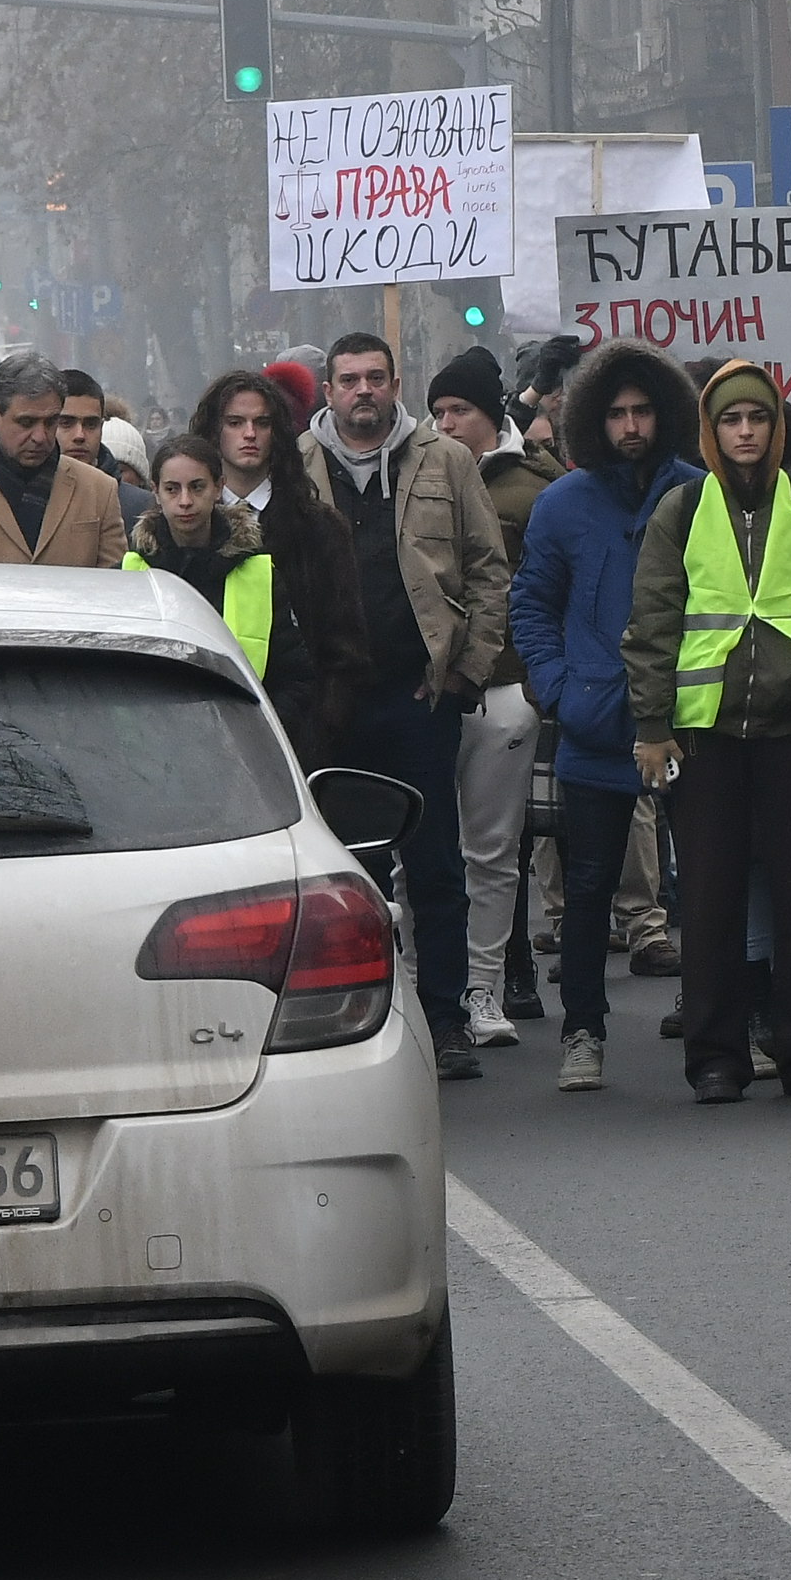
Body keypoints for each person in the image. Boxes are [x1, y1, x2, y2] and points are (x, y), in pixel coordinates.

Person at [629, 359, 791, 1103]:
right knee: (709, 905)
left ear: (776, 428)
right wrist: (652, 726)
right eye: (732, 420)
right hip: (704, 737)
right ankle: (716, 1056)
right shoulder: (681, 508)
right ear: (711, 432)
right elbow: (650, 626)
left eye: (759, 419)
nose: (746, 432)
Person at [308, 327, 511, 1084]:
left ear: (396, 385)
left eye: (375, 378)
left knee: (435, 869)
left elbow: (489, 569)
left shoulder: (444, 460)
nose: (363, 391)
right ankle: (353, 1020)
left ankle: (446, 1017)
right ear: (328, 390)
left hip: (418, 696)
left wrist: (466, 672)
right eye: (348, 378)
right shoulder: (297, 467)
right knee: (338, 873)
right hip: (328, 705)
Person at [511, 341, 696, 1091]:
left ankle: (713, 1007)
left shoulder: (696, 493)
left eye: (643, 409)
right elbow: (531, 604)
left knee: (707, 877)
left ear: (665, 414)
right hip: (595, 723)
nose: (630, 425)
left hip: (688, 718)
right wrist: (561, 690)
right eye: (616, 412)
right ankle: (583, 1030)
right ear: (594, 418)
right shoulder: (562, 503)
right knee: (587, 888)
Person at [141, 369, 362, 757]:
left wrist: (317, 730)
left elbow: (342, 646)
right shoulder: (168, 531)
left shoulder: (318, 528)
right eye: (235, 422)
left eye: (262, 423)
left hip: (296, 738)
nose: (250, 434)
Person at [426, 350, 547, 1043]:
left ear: (490, 414)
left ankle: (484, 989)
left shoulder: (535, 484)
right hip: (434, 687)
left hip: (505, 686)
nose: (446, 423)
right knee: (427, 849)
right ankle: (426, 983)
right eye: (438, 411)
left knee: (494, 851)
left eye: (460, 411)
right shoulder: (411, 473)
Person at [0, 355, 126, 564]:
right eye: (26, 422)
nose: (40, 437)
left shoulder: (99, 491)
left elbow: (115, 588)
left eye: (51, 422)